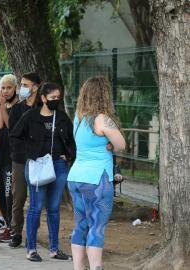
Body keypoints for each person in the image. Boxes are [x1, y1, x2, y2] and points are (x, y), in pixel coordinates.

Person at [10, 82, 75, 261]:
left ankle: (54, 248)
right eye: (52, 97)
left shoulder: (62, 118)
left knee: (54, 208)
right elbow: (14, 137)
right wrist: (29, 155)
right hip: (37, 165)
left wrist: (68, 155)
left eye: (58, 98)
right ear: (43, 98)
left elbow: (71, 140)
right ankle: (31, 249)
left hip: (58, 166)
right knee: (36, 207)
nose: (56, 100)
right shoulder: (30, 116)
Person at [67, 76, 126, 270]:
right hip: (96, 180)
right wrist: (110, 143)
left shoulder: (78, 117)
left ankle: (77, 267)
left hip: (75, 177)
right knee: (97, 227)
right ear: (104, 95)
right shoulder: (102, 119)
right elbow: (121, 145)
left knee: (80, 225)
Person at [7, 72, 41, 248]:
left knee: (37, 199)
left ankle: (33, 233)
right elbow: (13, 135)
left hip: (40, 161)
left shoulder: (43, 107)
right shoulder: (17, 109)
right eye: (21, 85)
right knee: (18, 196)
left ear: (35, 87)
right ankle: (16, 231)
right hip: (20, 160)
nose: (22, 88)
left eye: (26, 85)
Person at [0, 74, 19, 242]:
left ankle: (14, 228)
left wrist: (1, 105)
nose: (6, 91)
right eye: (3, 88)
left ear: (15, 88)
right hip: (0, 155)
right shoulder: (2, 104)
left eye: (9, 87)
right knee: (0, 192)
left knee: (10, 194)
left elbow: (10, 125)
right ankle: (8, 227)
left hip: (12, 156)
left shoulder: (19, 107)